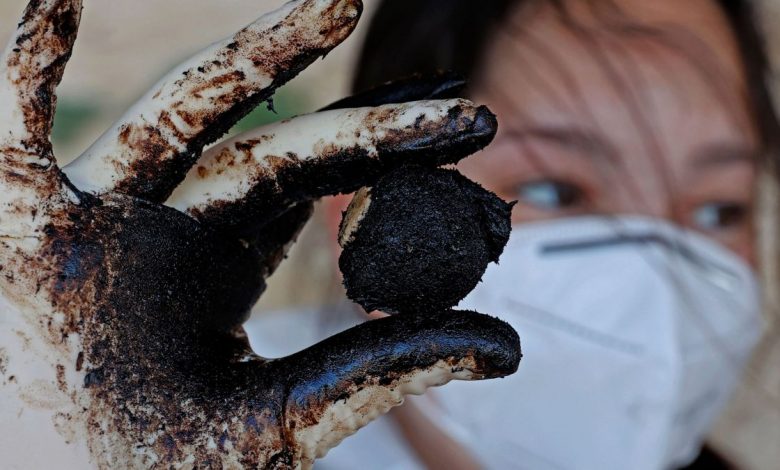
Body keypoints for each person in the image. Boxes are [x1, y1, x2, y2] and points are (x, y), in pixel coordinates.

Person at [245, 0, 780, 468]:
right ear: (358, 207)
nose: (656, 295)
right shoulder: (221, 441)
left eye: (719, 209)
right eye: (554, 191)